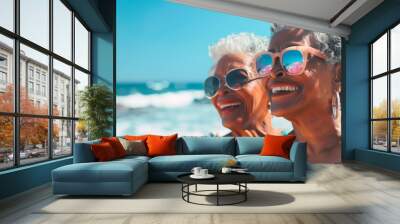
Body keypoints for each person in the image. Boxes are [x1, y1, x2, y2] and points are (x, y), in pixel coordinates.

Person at [255, 25, 342, 163]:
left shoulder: (357, 151)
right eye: (266, 61)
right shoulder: (279, 152)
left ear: (337, 75)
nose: (273, 71)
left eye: (293, 57)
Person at [205, 33, 281, 137]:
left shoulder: (297, 147)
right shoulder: (210, 150)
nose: (221, 90)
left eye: (236, 78)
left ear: (270, 86)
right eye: (214, 83)